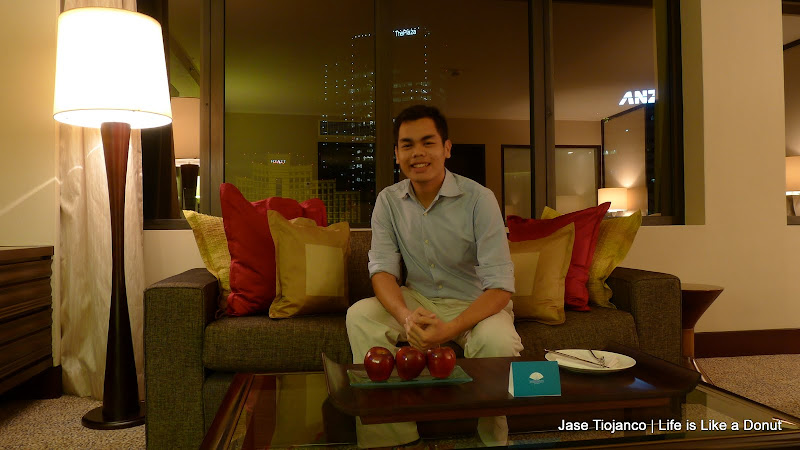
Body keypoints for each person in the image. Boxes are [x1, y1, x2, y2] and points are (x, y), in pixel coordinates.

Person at [346, 104, 523, 448]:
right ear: (397, 153)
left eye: (428, 142)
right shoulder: (388, 202)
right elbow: (382, 271)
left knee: (498, 341)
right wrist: (406, 317)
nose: (418, 153)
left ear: (447, 148)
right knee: (360, 315)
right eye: (407, 145)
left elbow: (500, 287)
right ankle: (390, 439)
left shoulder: (479, 199)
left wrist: (450, 329)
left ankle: (491, 439)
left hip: (475, 303)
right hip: (420, 299)